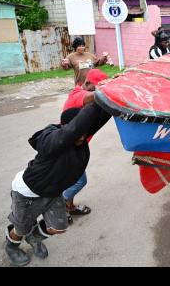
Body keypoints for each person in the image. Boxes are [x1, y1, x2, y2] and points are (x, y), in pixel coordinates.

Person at [4, 102, 111, 266]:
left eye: (85, 133)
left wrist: (111, 96)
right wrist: (96, 99)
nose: (82, 137)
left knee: (59, 227)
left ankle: (34, 238)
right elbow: (74, 129)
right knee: (21, 229)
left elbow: (99, 118)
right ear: (66, 128)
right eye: (78, 132)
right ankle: (11, 246)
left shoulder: (80, 142)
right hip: (27, 193)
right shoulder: (51, 140)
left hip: (53, 193)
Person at [62, 69, 108, 224]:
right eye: (97, 88)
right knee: (80, 181)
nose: (99, 92)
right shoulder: (78, 94)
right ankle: (60, 204)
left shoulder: (88, 92)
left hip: (78, 145)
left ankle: (69, 206)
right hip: (69, 146)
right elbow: (91, 97)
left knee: (72, 178)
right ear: (87, 83)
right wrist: (110, 92)